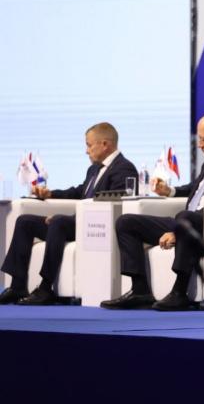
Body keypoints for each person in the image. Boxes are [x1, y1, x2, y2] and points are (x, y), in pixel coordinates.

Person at [100, 112, 204, 311]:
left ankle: (179, 292)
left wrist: (178, 231)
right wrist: (170, 191)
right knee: (126, 222)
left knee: (185, 217)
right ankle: (140, 290)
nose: (200, 145)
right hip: (185, 221)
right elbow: (196, 189)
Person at [0, 123, 138, 305]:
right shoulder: (94, 169)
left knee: (58, 222)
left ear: (105, 144)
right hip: (78, 223)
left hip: (98, 228)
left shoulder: (124, 168)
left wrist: (69, 218)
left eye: (89, 145)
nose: (86, 151)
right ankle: (17, 286)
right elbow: (80, 192)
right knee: (25, 222)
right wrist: (50, 194)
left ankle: (45, 288)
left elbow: (113, 203)